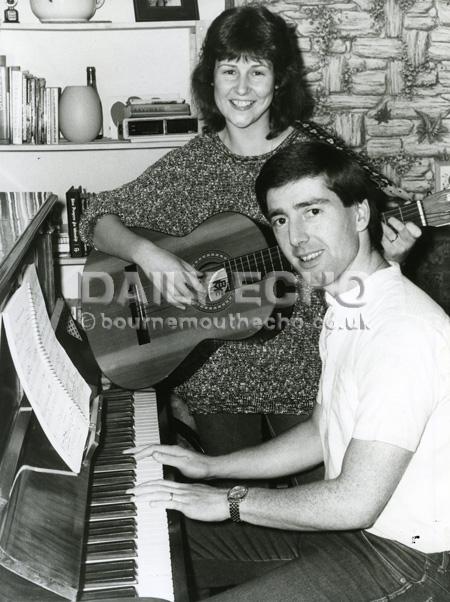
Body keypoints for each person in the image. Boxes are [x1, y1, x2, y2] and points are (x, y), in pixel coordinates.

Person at [80, 6, 420, 456]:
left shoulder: (316, 158)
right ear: (211, 79)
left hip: (309, 383)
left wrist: (391, 259)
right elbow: (95, 217)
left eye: (257, 71)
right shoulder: (190, 165)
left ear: (279, 80)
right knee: (237, 516)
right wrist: (149, 255)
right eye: (229, 71)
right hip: (215, 384)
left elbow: (357, 267)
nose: (242, 89)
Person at [126, 141, 450, 601]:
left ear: (360, 215)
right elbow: (321, 431)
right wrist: (211, 467)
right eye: (280, 219)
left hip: (410, 562)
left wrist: (228, 501)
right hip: (355, 535)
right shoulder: (346, 305)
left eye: (312, 211)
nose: (296, 238)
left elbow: (355, 501)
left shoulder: (402, 331)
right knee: (148, 535)